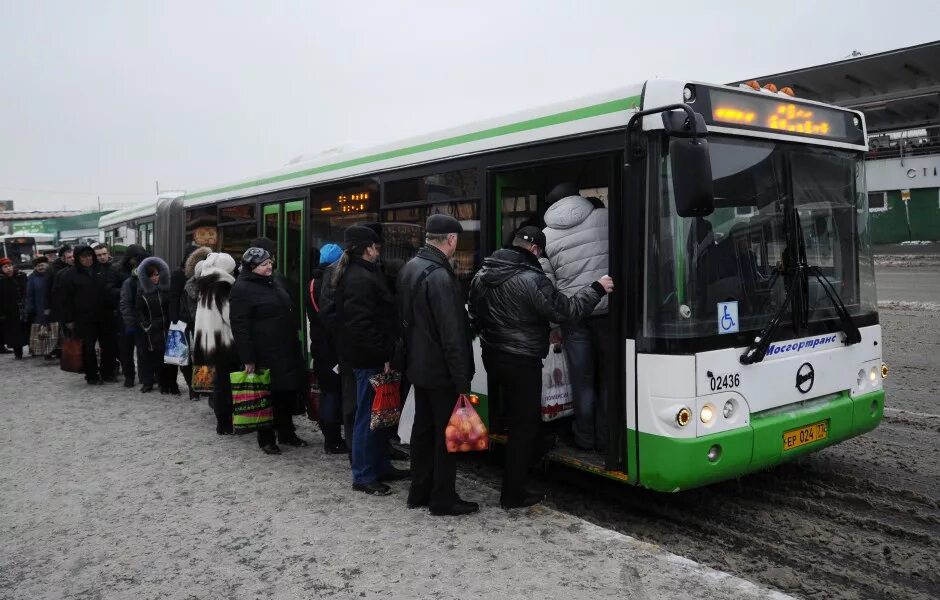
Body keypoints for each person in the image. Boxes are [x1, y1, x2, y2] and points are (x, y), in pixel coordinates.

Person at [469, 226, 613, 508]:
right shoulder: (533, 279)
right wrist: (597, 288)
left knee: (515, 418)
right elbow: (567, 311)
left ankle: (523, 470)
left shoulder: (482, 274)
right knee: (524, 426)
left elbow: (476, 314)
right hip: (522, 360)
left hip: (493, 356)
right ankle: (513, 493)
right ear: (535, 250)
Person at [397, 214, 477, 516]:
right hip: (441, 370)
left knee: (423, 430)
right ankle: (443, 498)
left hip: (418, 367)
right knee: (448, 435)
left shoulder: (410, 268)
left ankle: (419, 490)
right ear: (451, 240)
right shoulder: (442, 277)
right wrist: (462, 379)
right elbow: (452, 335)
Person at [332, 226, 409, 496]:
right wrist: (384, 354)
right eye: (377, 247)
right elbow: (361, 326)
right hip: (369, 360)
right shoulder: (359, 278)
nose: (379, 252)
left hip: (371, 357)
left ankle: (380, 466)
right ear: (368, 248)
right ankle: (364, 475)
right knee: (368, 416)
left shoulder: (362, 273)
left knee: (380, 416)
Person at [541, 182, 611, 452]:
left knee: (582, 380)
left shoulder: (545, 236)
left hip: (573, 318)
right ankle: (607, 439)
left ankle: (584, 438)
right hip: (607, 314)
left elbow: (548, 286)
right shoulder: (605, 218)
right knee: (608, 378)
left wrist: (555, 324)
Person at [230, 247, 308, 455]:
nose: (269, 266)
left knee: (286, 393)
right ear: (252, 267)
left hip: (285, 348)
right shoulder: (242, 289)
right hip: (264, 352)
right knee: (266, 396)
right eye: (264, 264)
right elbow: (240, 326)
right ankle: (266, 438)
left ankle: (286, 432)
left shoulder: (274, 282)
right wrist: (248, 357)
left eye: (269, 263)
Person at [306, 242, 349, 454]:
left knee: (328, 391)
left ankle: (329, 436)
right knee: (333, 393)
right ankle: (333, 440)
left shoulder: (313, 283)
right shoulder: (334, 282)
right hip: (333, 347)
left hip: (320, 345)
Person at [192, 252, 239, 434]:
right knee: (226, 387)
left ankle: (222, 423)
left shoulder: (205, 284)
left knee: (219, 386)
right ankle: (225, 423)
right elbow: (230, 317)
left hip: (208, 342)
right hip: (223, 344)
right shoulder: (223, 286)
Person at [60, 245, 119, 384]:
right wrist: (69, 319)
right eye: (84, 257)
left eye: (89, 256)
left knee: (108, 345)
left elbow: (108, 289)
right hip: (83, 318)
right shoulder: (69, 275)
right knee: (88, 348)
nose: (88, 259)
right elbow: (66, 299)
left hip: (104, 315)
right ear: (77, 259)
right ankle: (91, 374)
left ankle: (108, 372)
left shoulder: (101, 270)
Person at [173, 246, 212, 399]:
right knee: (186, 356)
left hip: (200, 320)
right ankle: (192, 386)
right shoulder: (179, 274)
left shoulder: (208, 275)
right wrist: (174, 320)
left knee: (201, 354)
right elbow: (174, 298)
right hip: (184, 321)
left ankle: (202, 385)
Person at [133, 256, 176, 394]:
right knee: (158, 360)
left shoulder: (167, 290)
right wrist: (147, 325)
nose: (155, 278)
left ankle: (172, 384)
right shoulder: (142, 293)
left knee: (173, 360)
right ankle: (163, 385)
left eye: (157, 274)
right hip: (154, 332)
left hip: (169, 329)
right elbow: (139, 311)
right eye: (151, 276)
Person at [116, 245, 150, 387]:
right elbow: (125, 303)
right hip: (129, 319)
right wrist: (129, 322)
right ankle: (130, 375)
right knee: (127, 350)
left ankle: (145, 378)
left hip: (142, 319)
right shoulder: (126, 278)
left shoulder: (148, 273)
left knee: (143, 351)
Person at [45, 245, 73, 358]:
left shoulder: (73, 267)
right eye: (69, 256)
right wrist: (47, 306)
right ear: (63, 257)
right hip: (57, 303)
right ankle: (59, 351)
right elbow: (47, 288)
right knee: (60, 329)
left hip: (69, 303)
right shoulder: (53, 269)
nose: (72, 259)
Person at [25, 256, 54, 359]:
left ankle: (54, 349)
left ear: (47, 265)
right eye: (38, 266)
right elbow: (29, 295)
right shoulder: (32, 278)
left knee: (53, 328)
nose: (40, 267)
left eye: (42, 265)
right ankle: (45, 351)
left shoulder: (52, 274)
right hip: (39, 307)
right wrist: (30, 308)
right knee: (42, 329)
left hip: (53, 306)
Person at [0, 257, 28, 359]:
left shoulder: (21, 276)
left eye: (10, 266)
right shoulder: (1, 280)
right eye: (5, 267)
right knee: (15, 333)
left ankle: (33, 349)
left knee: (26, 329)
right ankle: (18, 353)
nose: (8, 268)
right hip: (10, 311)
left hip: (23, 307)